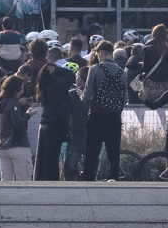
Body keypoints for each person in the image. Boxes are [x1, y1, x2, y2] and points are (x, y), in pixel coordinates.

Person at [82, 40, 125, 182]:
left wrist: (79, 95)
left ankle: (88, 181)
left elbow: (86, 95)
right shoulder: (122, 72)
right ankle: (113, 178)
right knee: (113, 153)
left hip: (97, 116)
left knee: (92, 153)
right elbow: (124, 99)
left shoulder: (94, 69)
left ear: (100, 53)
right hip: (114, 117)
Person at [34, 51, 75, 180]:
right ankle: (51, 181)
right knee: (52, 158)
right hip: (55, 125)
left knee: (43, 157)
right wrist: (56, 70)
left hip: (46, 124)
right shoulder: (56, 87)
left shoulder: (45, 88)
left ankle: (41, 180)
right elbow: (70, 75)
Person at [0, 74, 34, 181]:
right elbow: (17, 123)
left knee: (5, 180)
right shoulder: (13, 103)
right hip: (18, 145)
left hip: (2, 146)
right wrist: (28, 115)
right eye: (20, 89)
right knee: (24, 179)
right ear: (15, 89)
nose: (22, 92)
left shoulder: (1, 102)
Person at [63, 67, 89, 181]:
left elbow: (66, 114)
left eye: (77, 77)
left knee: (69, 167)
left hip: (75, 133)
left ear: (81, 80)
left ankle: (70, 192)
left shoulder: (72, 95)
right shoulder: (96, 93)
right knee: (90, 167)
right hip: (91, 133)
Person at [142, 24, 168, 102]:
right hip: (165, 84)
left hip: (151, 83)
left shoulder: (148, 49)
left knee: (151, 108)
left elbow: (145, 68)